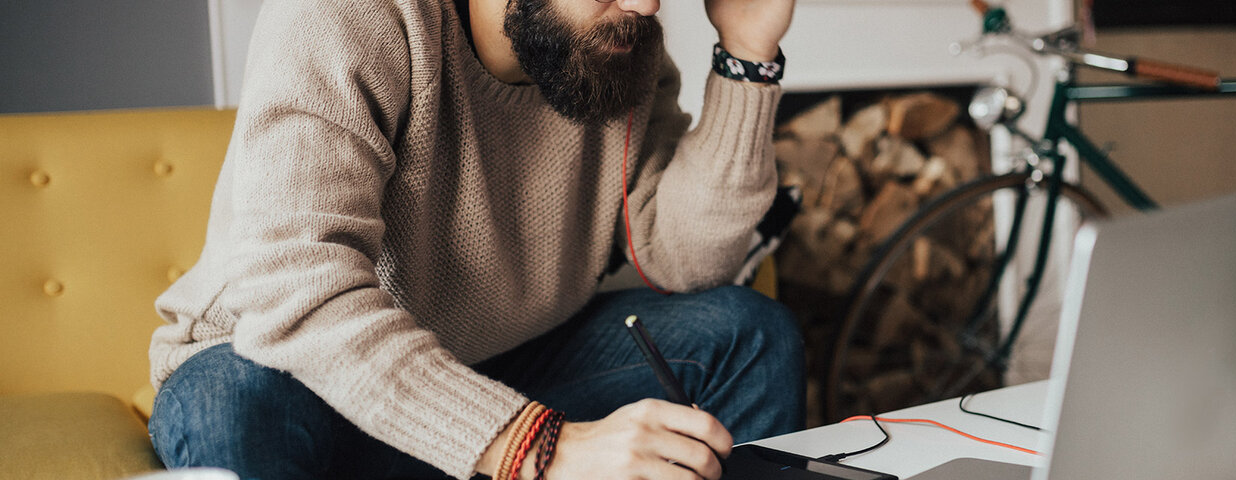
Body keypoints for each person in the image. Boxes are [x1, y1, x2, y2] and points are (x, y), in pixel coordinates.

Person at [144, 0, 804, 478]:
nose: (646, 4)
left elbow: (689, 261)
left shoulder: (614, 44)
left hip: (494, 362)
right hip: (291, 375)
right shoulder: (347, 15)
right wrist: (538, 447)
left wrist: (748, 52)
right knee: (235, 403)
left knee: (747, 334)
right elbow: (298, 291)